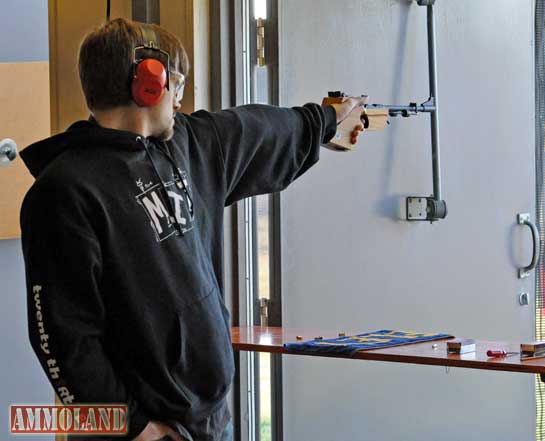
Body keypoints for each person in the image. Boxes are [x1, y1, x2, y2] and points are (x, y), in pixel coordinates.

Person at [19, 18, 366, 441]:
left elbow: (263, 129)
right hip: (140, 433)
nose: (179, 98)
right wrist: (136, 429)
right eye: (175, 83)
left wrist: (327, 120)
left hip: (208, 420)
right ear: (148, 83)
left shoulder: (188, 145)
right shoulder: (64, 193)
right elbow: (61, 339)